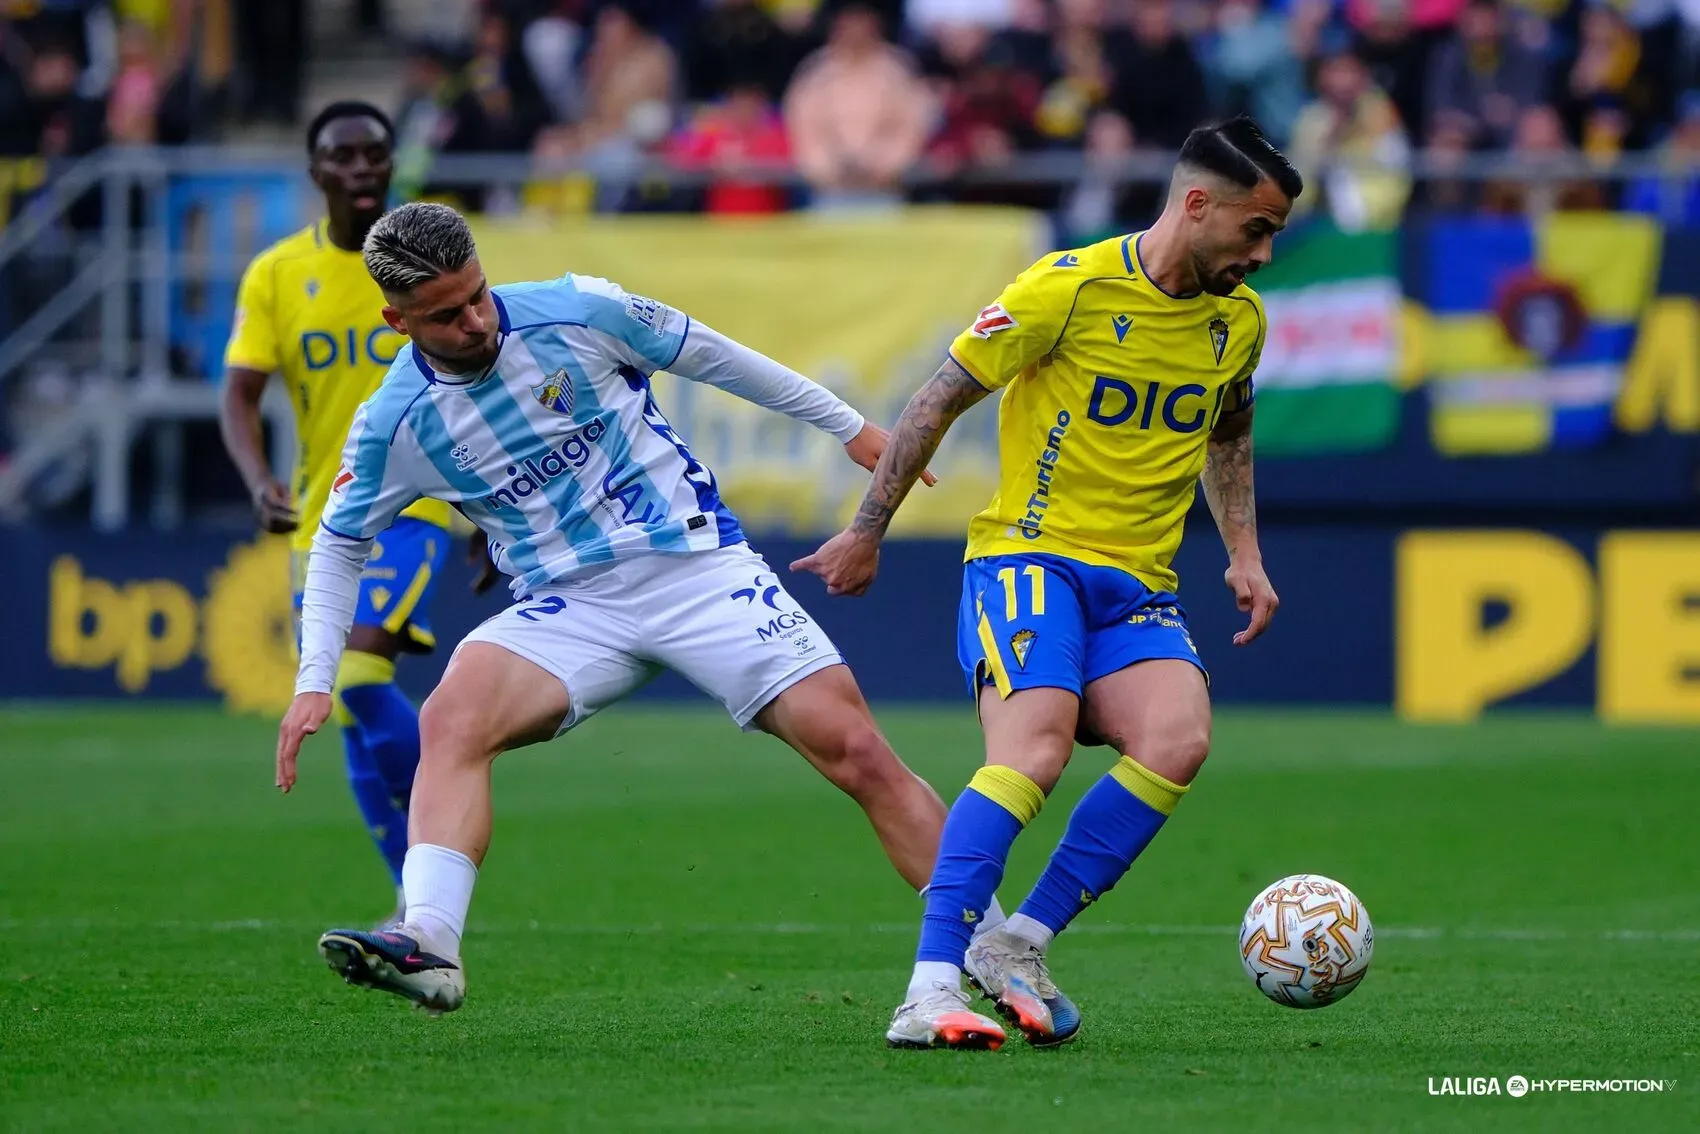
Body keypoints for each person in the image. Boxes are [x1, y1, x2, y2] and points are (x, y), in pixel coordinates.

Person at [274, 201, 988, 1015]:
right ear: (395, 320)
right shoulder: (394, 424)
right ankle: (431, 939)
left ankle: (993, 948)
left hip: (694, 568)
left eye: (477, 294)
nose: (475, 321)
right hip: (570, 605)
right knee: (452, 715)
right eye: (446, 314)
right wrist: (313, 678)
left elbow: (714, 356)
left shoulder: (579, 309)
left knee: (857, 751)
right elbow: (337, 542)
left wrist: (847, 425)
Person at [795, 116, 1298, 1050]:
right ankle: (928, 987)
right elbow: (940, 394)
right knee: (1035, 750)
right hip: (1028, 561)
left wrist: (1244, 551)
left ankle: (1017, 943)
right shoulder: (1064, 288)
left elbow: (1228, 429)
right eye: (1256, 229)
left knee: (1178, 738)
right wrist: (867, 529)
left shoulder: (1240, 322)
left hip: (1138, 588)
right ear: (1197, 205)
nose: (1265, 253)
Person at [221, 102, 465, 927]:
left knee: (355, 677)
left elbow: (482, 377)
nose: (362, 168)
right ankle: (415, 904)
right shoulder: (278, 275)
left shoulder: (426, 262)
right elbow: (240, 394)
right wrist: (258, 478)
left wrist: (498, 510)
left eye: (376, 154)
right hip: (328, 520)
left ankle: (445, 826)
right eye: (343, 157)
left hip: (420, 504)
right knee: (360, 717)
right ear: (316, 171)